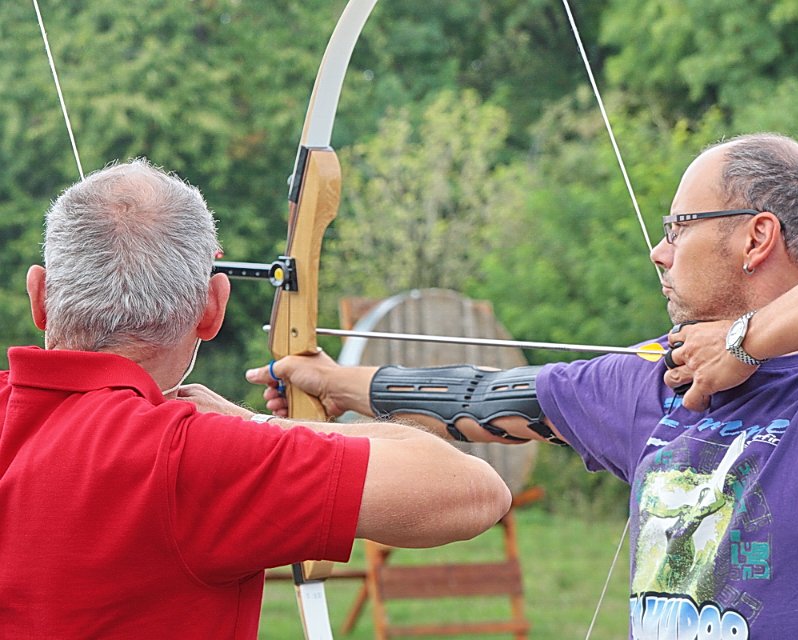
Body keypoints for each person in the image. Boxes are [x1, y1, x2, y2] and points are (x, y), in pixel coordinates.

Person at [247, 133, 798, 639]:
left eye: (678, 227)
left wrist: (743, 342)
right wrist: (333, 382)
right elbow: (483, 398)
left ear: (756, 237)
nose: (659, 250)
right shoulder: (659, 379)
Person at [0, 159, 512, 639]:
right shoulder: (192, 457)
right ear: (212, 309)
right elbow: (474, 492)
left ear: (39, 296)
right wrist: (259, 426)